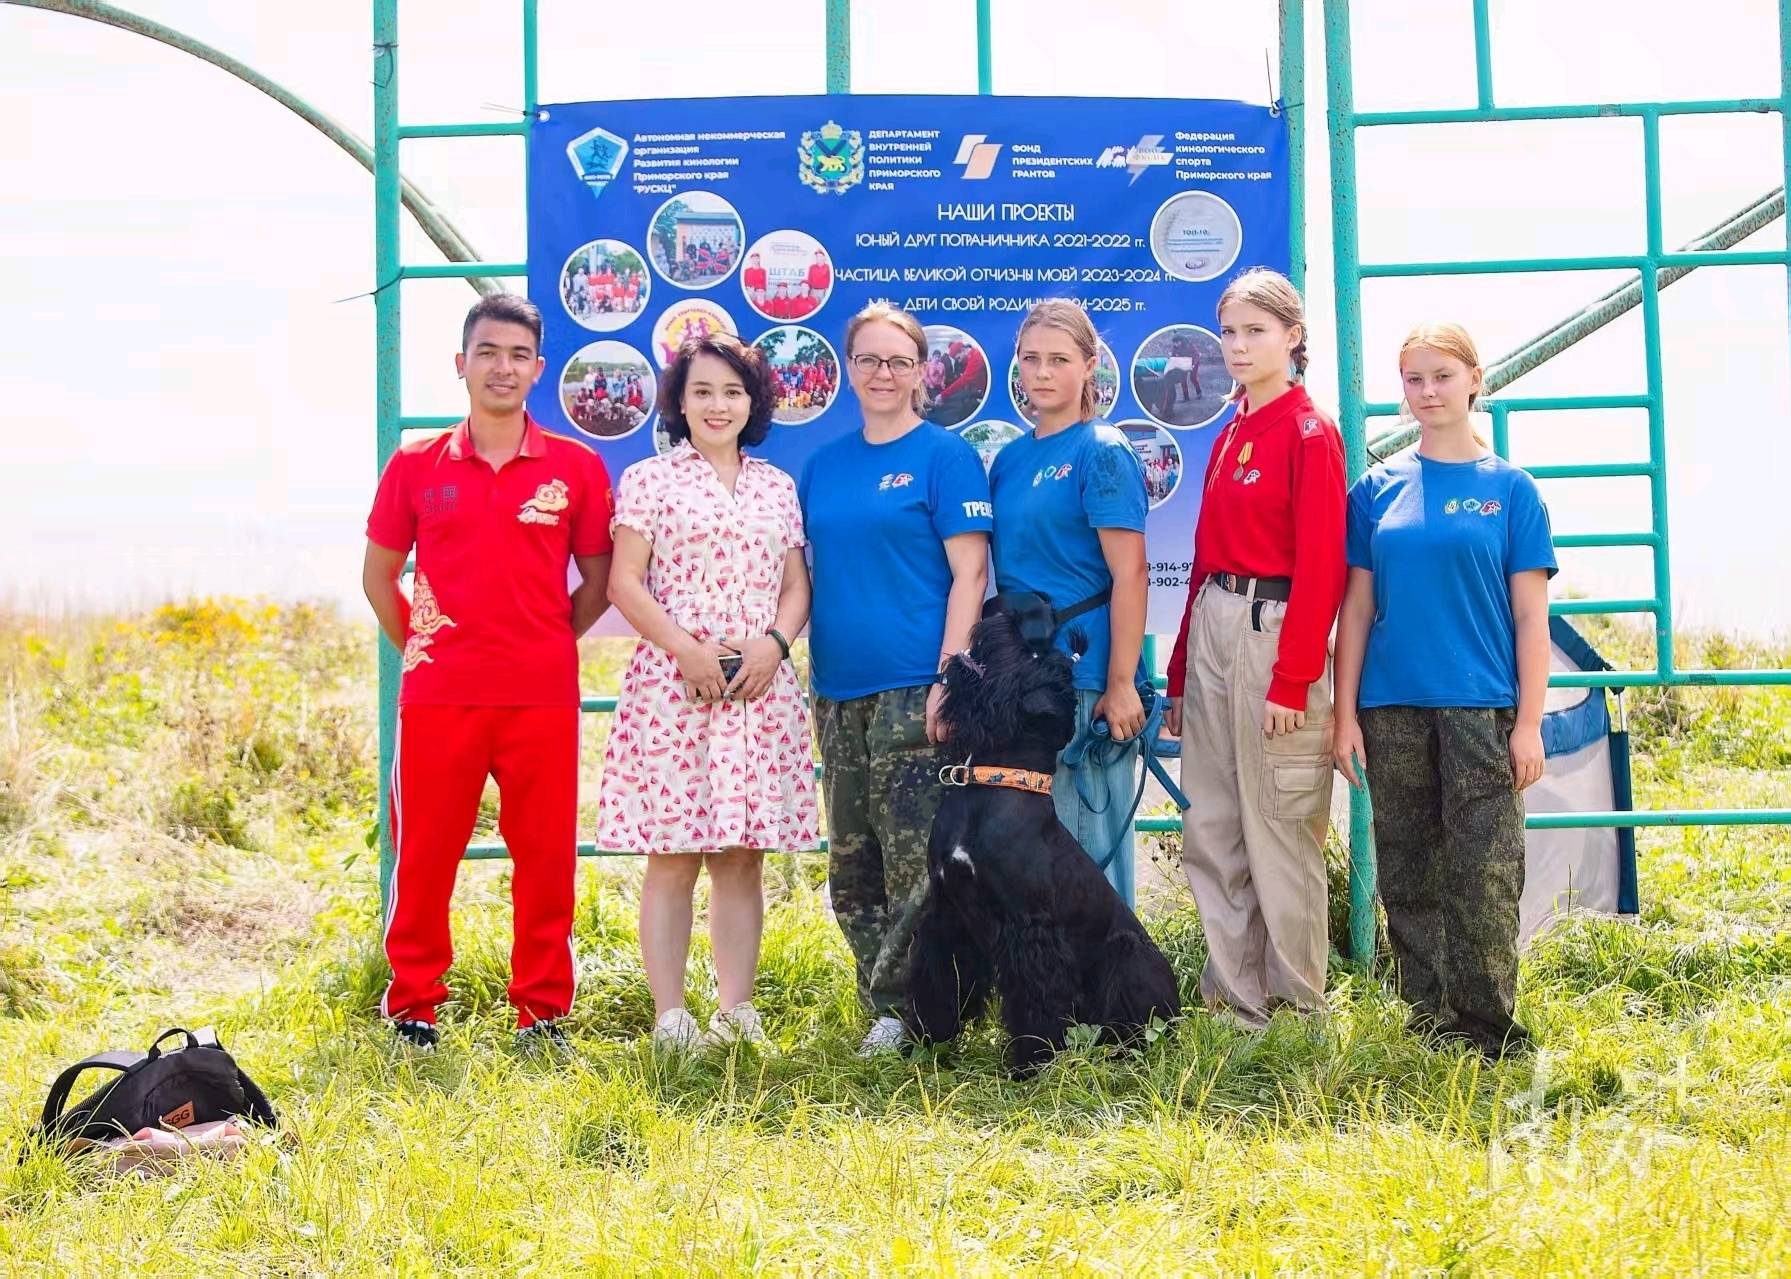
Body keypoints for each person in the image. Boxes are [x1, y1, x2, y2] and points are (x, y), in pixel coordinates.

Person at [363, 293, 613, 1053]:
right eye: (488, 352)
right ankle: (413, 1006)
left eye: (517, 355)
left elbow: (597, 584)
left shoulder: (576, 466)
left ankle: (542, 1013)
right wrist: (427, 646)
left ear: (538, 369)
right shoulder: (414, 465)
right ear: (461, 364)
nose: (502, 367)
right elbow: (379, 578)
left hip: (539, 695)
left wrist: (540, 640)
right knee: (426, 854)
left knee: (545, 860)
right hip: (440, 697)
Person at [1332, 322, 1554, 1059]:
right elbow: (1356, 610)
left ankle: (1487, 1027)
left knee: (1484, 870)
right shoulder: (1375, 490)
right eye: (1412, 379)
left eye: (1440, 375)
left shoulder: (1511, 491)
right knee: (1407, 864)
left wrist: (1527, 722)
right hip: (1390, 706)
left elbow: (1529, 616)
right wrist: (1343, 716)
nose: (1426, 391)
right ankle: (1426, 1021)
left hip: (1481, 708)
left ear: (1473, 380)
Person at [596, 333, 817, 1053]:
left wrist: (774, 645)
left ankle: (736, 1010)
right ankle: (670, 1018)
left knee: (740, 854)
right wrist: (685, 649)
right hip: (674, 688)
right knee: (672, 852)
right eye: (702, 392)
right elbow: (623, 581)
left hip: (757, 688)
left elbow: (794, 585)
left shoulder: (776, 486)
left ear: (752, 401)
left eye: (731, 391)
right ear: (679, 403)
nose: (716, 405)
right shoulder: (650, 480)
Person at [800, 300, 991, 1057]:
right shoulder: (822, 465)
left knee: (917, 862)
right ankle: (882, 1000)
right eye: (870, 360)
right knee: (853, 861)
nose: (884, 373)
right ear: (849, 369)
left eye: (899, 361)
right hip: (837, 690)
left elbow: (970, 572)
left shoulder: (945, 456)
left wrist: (950, 674)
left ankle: (910, 1009)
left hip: (916, 685)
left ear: (922, 373)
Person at [1165, 268, 1347, 1031]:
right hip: (1214, 619)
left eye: (1256, 332)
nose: (1238, 347)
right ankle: (1236, 1005)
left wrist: (1293, 676)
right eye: (1230, 333)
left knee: (1278, 823)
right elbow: (1204, 557)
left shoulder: (1310, 432)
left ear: (1292, 338)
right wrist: (1177, 670)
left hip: (1272, 631)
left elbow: (1322, 564)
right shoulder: (1230, 428)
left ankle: (1299, 1008)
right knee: (1211, 821)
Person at [988, 299, 1150, 906]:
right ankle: (1048, 996)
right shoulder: (1009, 459)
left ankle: (1114, 998)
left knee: (1086, 851)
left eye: (1059, 359)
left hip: (1084, 678)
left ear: (1090, 366)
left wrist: (1122, 684)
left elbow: (1131, 573)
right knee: (1028, 853)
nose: (1043, 372)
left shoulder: (1101, 449)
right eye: (1031, 359)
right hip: (1018, 681)